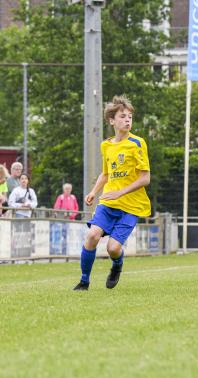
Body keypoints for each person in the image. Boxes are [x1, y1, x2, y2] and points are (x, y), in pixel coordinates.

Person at [73, 95, 151, 291]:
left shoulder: (137, 143)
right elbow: (107, 174)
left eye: (130, 117)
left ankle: (117, 265)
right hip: (108, 203)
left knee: (113, 248)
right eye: (123, 116)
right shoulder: (106, 145)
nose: (127, 120)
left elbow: (145, 178)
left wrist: (121, 192)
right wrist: (93, 192)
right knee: (92, 235)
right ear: (112, 120)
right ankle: (84, 282)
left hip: (131, 206)